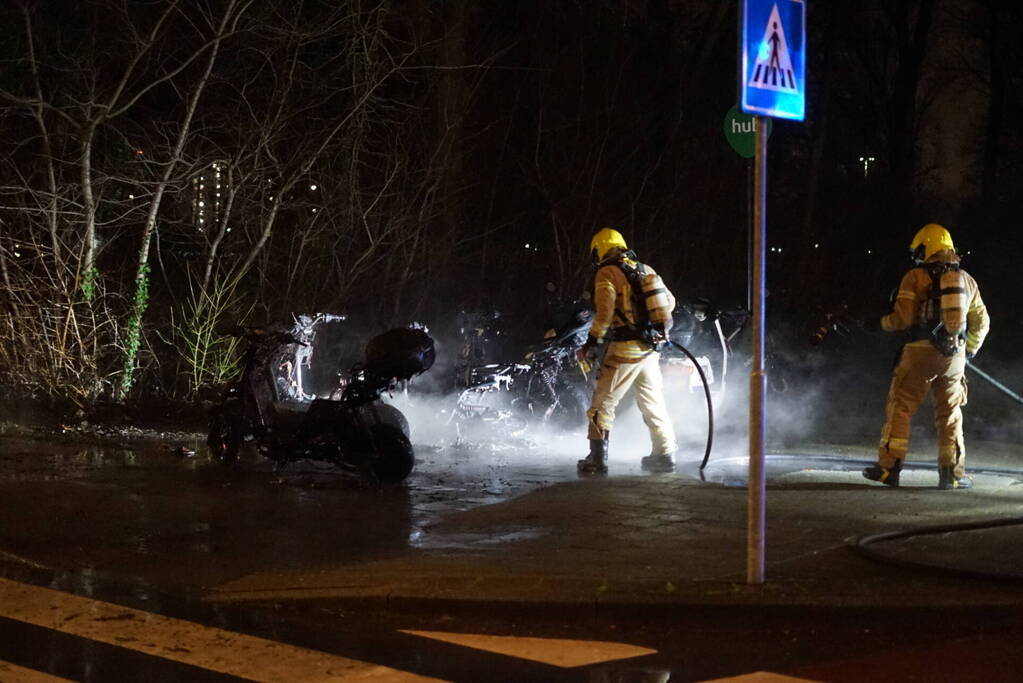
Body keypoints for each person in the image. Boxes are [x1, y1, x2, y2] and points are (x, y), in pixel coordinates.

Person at [864, 224, 990, 489]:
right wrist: (969, 349)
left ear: (927, 247)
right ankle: (952, 475)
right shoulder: (967, 280)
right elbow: (982, 322)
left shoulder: (915, 277)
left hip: (919, 352)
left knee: (901, 407)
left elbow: (903, 318)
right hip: (954, 357)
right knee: (950, 414)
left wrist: (880, 323)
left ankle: (889, 468)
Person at [576, 228, 678, 475]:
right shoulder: (646, 270)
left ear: (599, 249)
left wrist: (591, 343)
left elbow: (604, 313)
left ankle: (597, 460)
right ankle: (664, 454)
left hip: (624, 349)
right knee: (653, 402)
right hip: (650, 350)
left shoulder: (607, 272)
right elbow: (671, 302)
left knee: (602, 404)